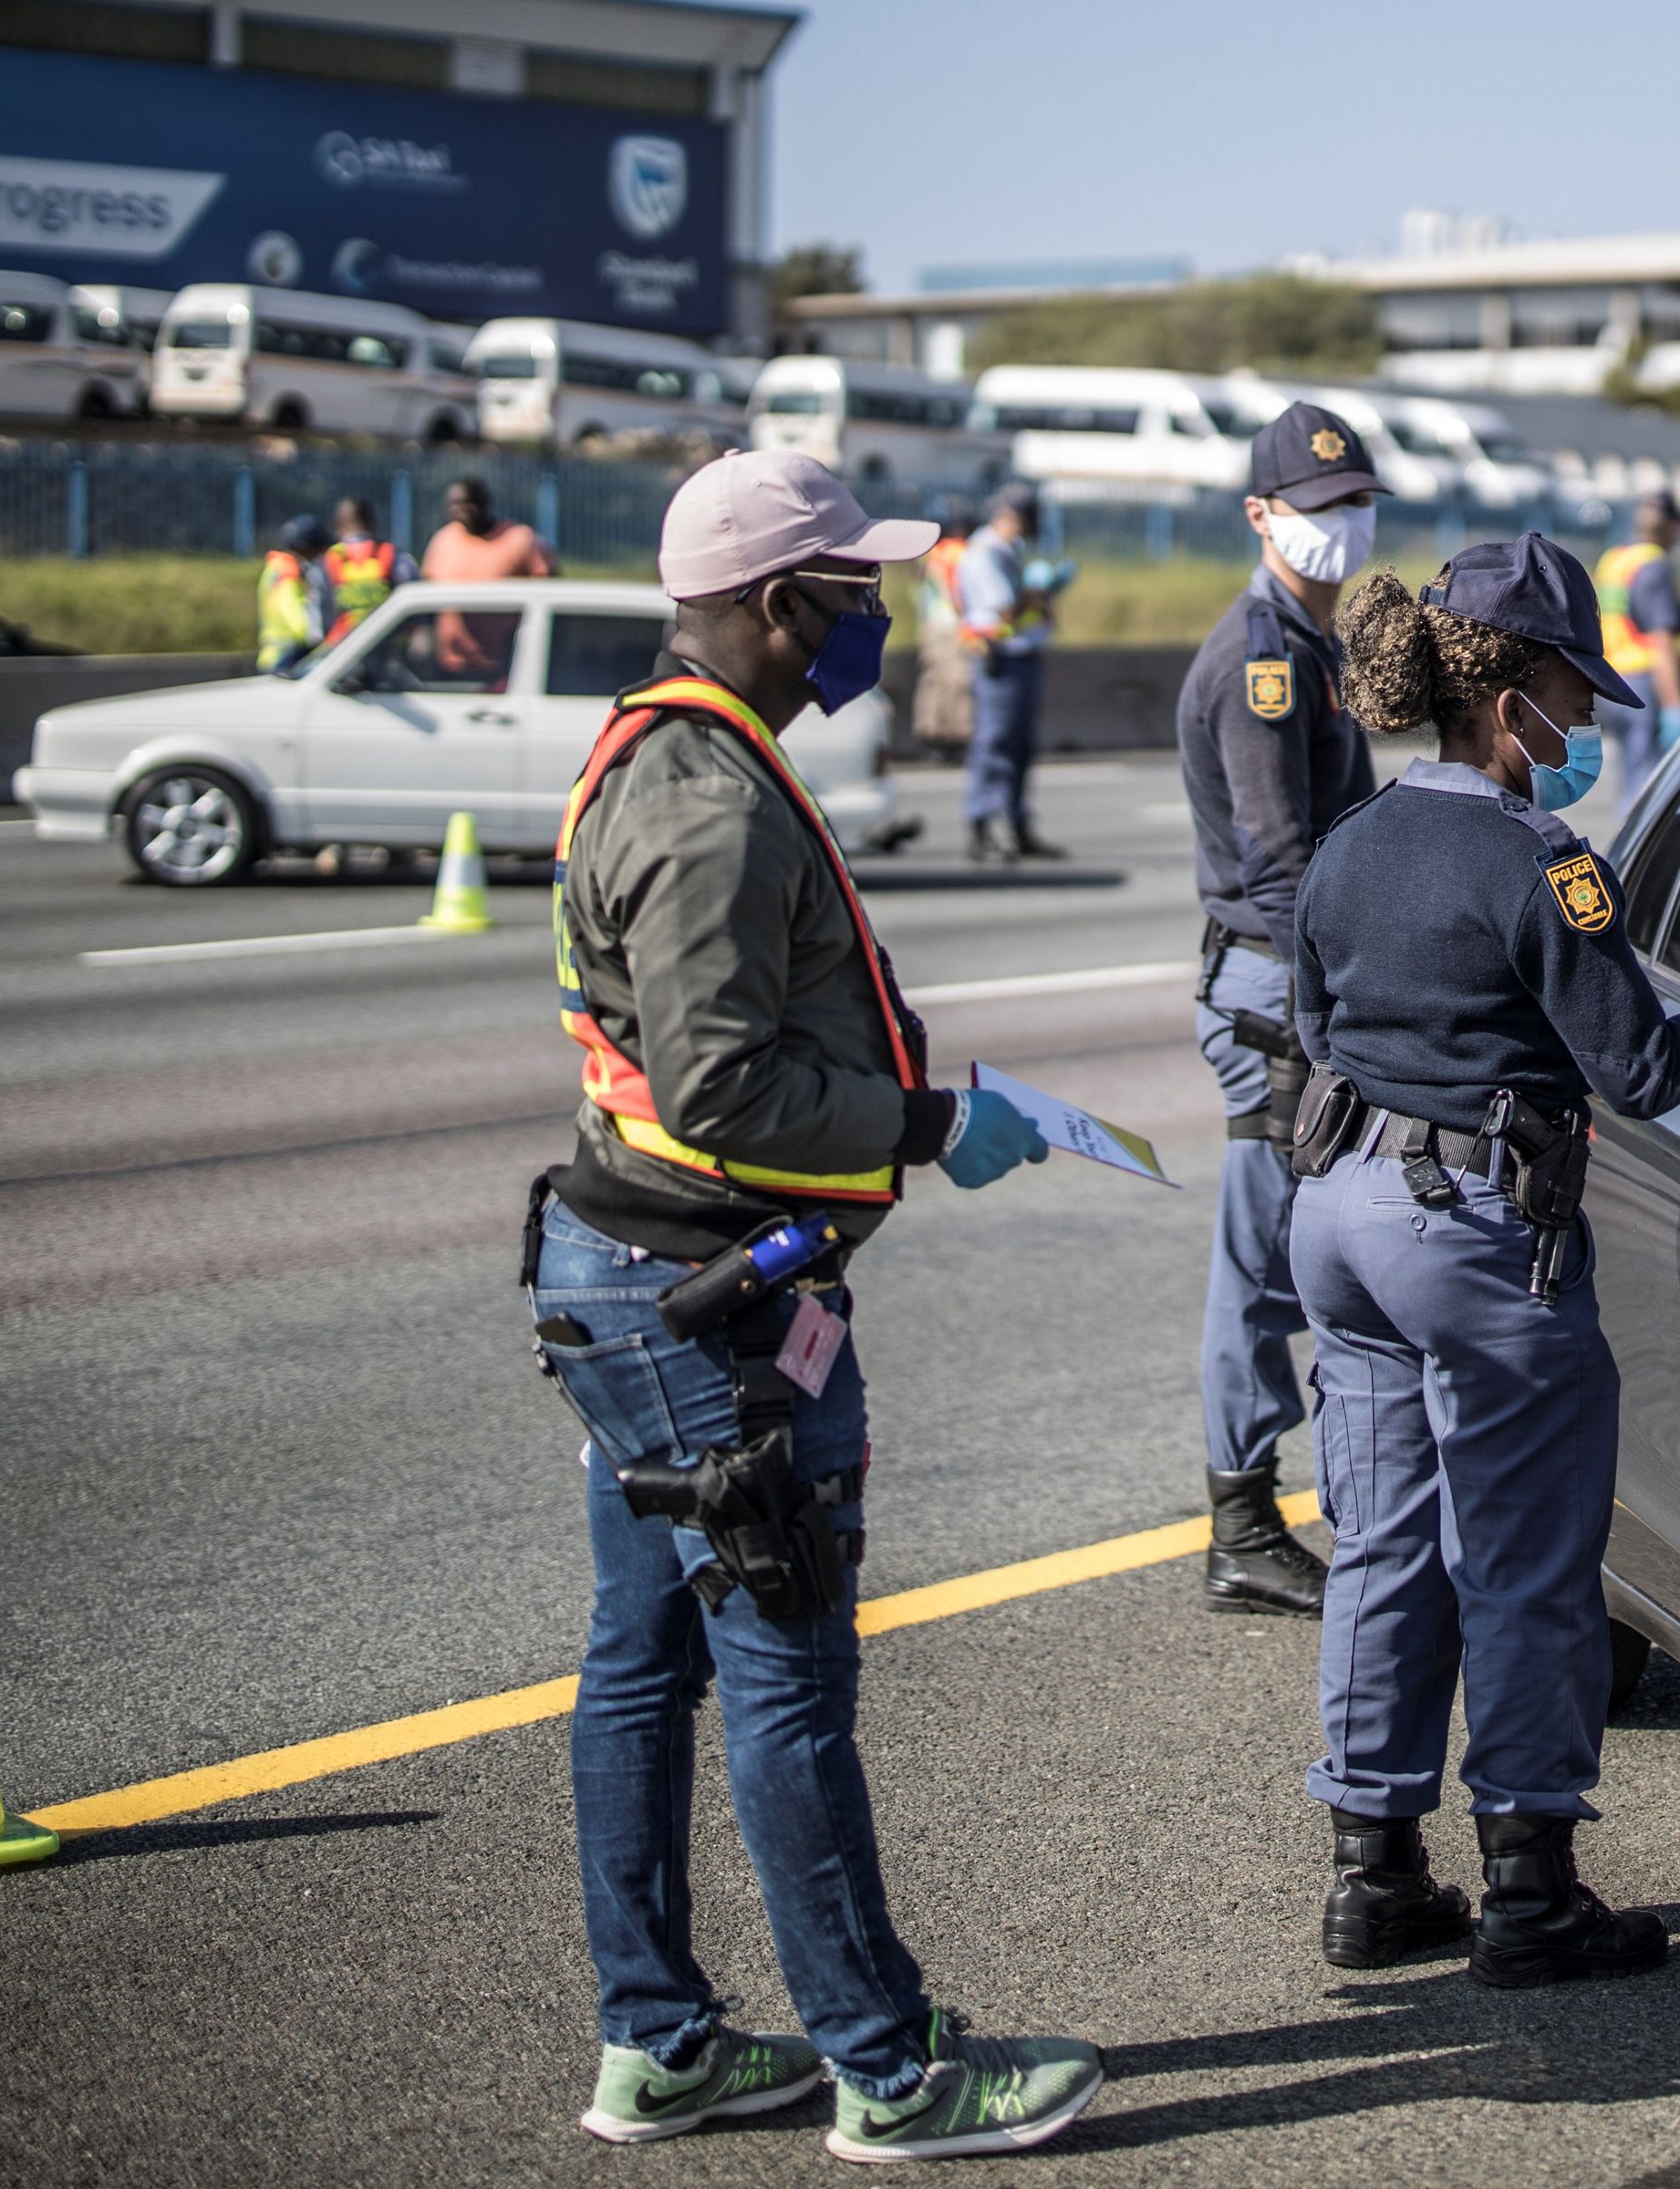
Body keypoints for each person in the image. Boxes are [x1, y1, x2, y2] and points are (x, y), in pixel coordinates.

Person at [524, 448, 1103, 2162]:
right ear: (780, 605)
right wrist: (929, 1125)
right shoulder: (703, 798)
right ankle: (890, 2071)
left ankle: (662, 2046)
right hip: (702, 1304)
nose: (877, 612)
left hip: (634, 1277)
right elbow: (719, 1089)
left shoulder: (674, 751)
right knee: (784, 1685)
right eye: (856, 589)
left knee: (640, 1667)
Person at [1291, 534, 1680, 1985]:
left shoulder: (1351, 843)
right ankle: (1532, 1889)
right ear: (1515, 691)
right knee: (1529, 1564)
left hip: (1339, 1214)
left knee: (1383, 1543)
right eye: (1571, 696)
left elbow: (1312, 1025)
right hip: (1469, 1234)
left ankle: (1376, 1872)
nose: (1584, 726)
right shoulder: (1542, 862)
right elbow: (1643, 1068)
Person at [1175, 401, 1389, 1617]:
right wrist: (1329, 1019)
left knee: (1297, 1254)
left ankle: (1298, 1503)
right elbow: (1280, 860)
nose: (1342, 529)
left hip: (1293, 977)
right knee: (1260, 1264)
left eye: (1356, 506)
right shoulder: (1263, 662)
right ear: (1261, 517)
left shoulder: (1314, 640)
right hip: (1276, 988)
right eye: (1318, 511)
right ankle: (1241, 1522)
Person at [955, 484, 1068, 862]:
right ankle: (984, 825)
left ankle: (1016, 825)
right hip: (999, 660)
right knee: (996, 743)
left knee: (1020, 746)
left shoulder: (1008, 551)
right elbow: (1002, 611)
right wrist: (1037, 594)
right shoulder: (985, 553)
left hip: (1021, 658)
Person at [1594, 487, 1680, 794]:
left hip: (1610, 680)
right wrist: (1674, 704)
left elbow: (1626, 615)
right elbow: (1660, 640)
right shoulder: (1654, 565)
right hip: (1643, 684)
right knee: (1649, 786)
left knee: (1631, 774)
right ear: (1671, 526)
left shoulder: (1614, 559)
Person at [423, 476, 559, 685]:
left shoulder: (520, 540)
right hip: (451, 666)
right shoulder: (443, 541)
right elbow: (427, 599)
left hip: (507, 668)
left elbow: (551, 595)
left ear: (484, 503)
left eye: (468, 502)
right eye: (455, 504)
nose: (462, 510)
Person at [911, 502, 976, 755]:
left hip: (929, 623)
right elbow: (958, 592)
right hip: (951, 625)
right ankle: (956, 736)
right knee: (959, 680)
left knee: (933, 677)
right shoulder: (957, 552)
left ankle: (930, 732)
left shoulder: (930, 553)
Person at [322, 496, 403, 646]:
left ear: (340, 525)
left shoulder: (330, 558)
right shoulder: (393, 554)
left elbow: (319, 611)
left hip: (341, 649)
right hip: (383, 644)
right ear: (371, 523)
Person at [254, 514, 330, 674]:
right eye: (319, 549)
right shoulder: (288, 573)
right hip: (285, 662)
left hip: (275, 658)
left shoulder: (276, 568)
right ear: (307, 547)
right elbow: (299, 626)